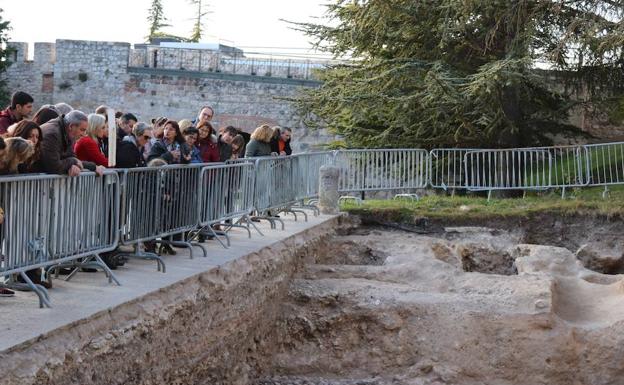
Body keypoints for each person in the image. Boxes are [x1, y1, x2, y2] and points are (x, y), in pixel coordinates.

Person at [40, 110, 105, 176]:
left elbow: (73, 159)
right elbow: (54, 167)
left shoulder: (67, 132)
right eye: (82, 130)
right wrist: (73, 161)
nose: (83, 134)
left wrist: (93, 167)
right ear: (71, 126)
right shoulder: (53, 134)